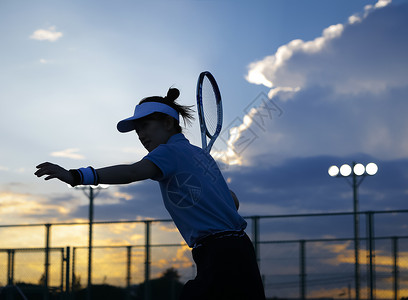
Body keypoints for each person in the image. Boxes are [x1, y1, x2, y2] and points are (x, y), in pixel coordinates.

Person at [35, 87, 265, 300]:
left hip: (220, 254)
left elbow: (132, 171)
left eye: (145, 125)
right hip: (237, 249)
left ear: (167, 122)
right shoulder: (200, 156)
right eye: (137, 130)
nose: (140, 134)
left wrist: (76, 176)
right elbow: (232, 202)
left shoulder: (168, 152)